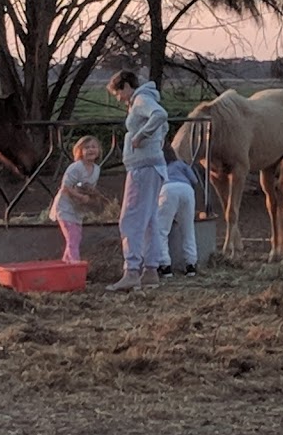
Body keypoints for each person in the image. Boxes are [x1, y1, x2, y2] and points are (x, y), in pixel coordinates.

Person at [104, 70, 168, 292]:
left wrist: (141, 136)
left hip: (143, 168)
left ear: (125, 86)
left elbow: (160, 116)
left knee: (130, 218)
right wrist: (157, 140)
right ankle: (150, 270)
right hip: (151, 165)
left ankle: (131, 270)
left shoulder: (141, 99)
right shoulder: (143, 99)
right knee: (149, 219)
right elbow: (163, 125)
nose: (119, 99)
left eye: (117, 93)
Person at [48, 135, 102, 263]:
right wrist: (80, 196)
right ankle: (75, 263)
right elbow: (65, 186)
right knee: (73, 236)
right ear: (80, 151)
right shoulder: (76, 167)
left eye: (93, 147)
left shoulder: (96, 169)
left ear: (99, 150)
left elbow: (89, 188)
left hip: (78, 209)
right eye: (86, 148)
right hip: (65, 207)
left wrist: (93, 198)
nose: (90, 150)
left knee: (76, 236)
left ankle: (66, 264)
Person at [156, 143, 198, 277]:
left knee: (161, 230)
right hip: (186, 190)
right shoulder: (181, 164)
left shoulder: (158, 167)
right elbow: (195, 180)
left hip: (167, 190)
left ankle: (165, 265)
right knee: (188, 229)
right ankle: (191, 264)